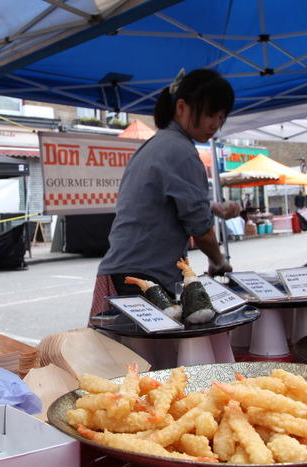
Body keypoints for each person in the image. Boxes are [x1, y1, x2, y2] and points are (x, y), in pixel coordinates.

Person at [90, 69, 236, 318]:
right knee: (145, 357)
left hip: (123, 272)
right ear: (181, 107)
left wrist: (210, 207)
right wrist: (218, 261)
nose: (215, 124)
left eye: (221, 118)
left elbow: (157, 205)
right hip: (144, 279)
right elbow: (200, 230)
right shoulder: (182, 152)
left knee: (121, 355)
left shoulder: (156, 145)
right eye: (211, 113)